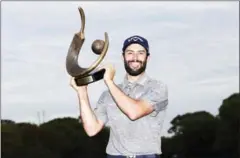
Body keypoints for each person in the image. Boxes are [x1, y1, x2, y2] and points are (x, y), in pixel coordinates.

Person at [70, 35, 168, 158]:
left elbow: (134, 112)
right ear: (123, 57)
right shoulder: (108, 94)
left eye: (141, 53)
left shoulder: (158, 88)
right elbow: (92, 129)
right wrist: (82, 92)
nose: (135, 58)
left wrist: (109, 82)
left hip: (147, 155)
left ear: (148, 58)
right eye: (130, 53)